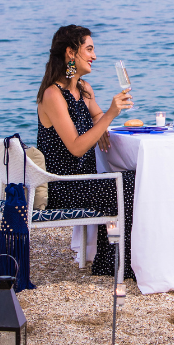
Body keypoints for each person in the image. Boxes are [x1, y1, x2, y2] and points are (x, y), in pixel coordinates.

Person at [36, 24, 136, 278]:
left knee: (133, 178)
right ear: (71, 53)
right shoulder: (52, 95)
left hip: (85, 181)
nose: (94, 56)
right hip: (63, 186)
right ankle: (116, 263)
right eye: (89, 49)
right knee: (128, 184)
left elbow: (96, 114)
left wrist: (102, 121)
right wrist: (112, 114)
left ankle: (112, 260)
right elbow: (77, 147)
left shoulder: (84, 88)